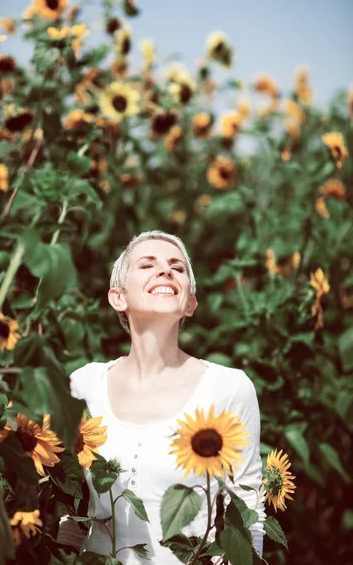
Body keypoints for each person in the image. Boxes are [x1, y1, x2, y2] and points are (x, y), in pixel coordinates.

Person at [57, 230, 265, 563]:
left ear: (190, 304)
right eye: (147, 265)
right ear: (118, 298)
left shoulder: (227, 387)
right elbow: (66, 499)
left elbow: (249, 509)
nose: (165, 271)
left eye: (177, 268)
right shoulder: (83, 385)